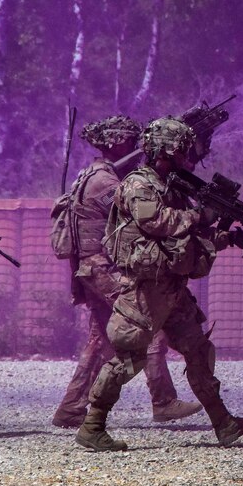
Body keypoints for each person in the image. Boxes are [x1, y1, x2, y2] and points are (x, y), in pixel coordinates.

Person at [75, 117, 243, 451]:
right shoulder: (138, 184)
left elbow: (190, 235)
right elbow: (157, 222)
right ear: (167, 149)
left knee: (198, 350)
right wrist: (199, 215)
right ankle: (92, 426)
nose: (190, 157)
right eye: (184, 149)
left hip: (173, 289)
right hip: (146, 291)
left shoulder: (172, 186)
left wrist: (231, 236)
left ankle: (224, 423)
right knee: (129, 359)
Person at [51, 116, 201, 428]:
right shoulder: (106, 182)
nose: (135, 147)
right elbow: (139, 215)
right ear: (116, 143)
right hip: (101, 268)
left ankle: (72, 407)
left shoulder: (90, 174)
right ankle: (163, 401)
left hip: (90, 270)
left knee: (100, 340)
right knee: (148, 321)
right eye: (131, 142)